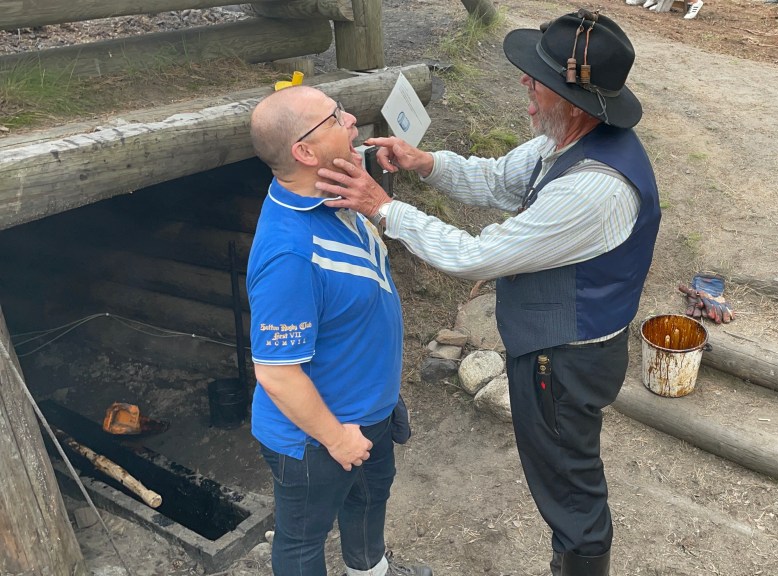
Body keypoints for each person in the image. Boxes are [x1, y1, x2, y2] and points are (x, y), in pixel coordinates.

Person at [315, 10, 660, 576]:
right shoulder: (569, 139)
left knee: (569, 492)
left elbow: (477, 256)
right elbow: (499, 178)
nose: (525, 82)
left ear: (574, 101)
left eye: (537, 78)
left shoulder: (597, 188)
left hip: (566, 363)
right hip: (552, 349)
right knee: (561, 480)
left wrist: (384, 208)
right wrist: (427, 163)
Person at [247, 86, 430, 576]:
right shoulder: (289, 254)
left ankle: (371, 570)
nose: (352, 121)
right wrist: (336, 439)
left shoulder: (336, 198)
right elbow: (277, 373)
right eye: (335, 117)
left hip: (369, 410)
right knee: (302, 540)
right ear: (305, 153)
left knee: (370, 498)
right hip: (317, 437)